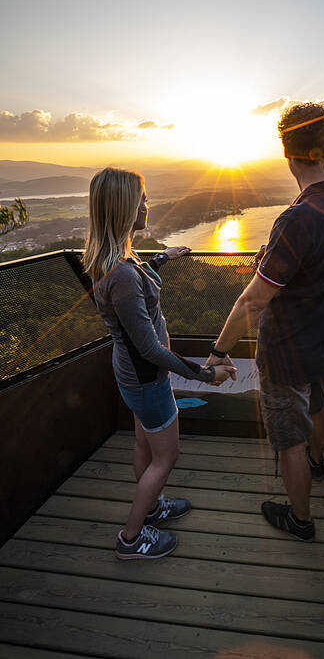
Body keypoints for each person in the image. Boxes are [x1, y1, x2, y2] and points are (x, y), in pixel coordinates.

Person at [206, 103, 324, 541]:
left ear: (287, 153)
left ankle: (300, 519)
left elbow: (251, 303)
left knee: (289, 435)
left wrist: (219, 351)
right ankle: (318, 465)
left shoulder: (297, 219)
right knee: (316, 406)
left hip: (287, 352)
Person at [83, 167, 236, 560]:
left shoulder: (118, 263)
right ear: (124, 208)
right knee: (167, 456)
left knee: (143, 443)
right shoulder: (122, 274)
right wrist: (205, 375)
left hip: (132, 376)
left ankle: (153, 508)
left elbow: (133, 298)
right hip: (147, 379)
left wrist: (160, 260)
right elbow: (150, 348)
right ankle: (132, 538)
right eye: (143, 200)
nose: (148, 206)